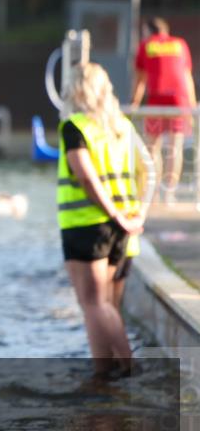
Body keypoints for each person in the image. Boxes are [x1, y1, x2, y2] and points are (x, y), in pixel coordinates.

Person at [58, 63, 145, 379]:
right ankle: (103, 374)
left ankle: (128, 367)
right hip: (123, 229)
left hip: (88, 225)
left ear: (77, 91)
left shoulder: (76, 127)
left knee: (93, 303)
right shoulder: (122, 126)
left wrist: (113, 213)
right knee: (106, 305)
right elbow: (148, 168)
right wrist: (137, 213)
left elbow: (84, 175)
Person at [131, 17, 196, 202]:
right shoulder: (180, 44)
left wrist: (134, 102)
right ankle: (169, 193)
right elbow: (186, 77)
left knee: (152, 147)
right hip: (179, 101)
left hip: (156, 101)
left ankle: (152, 194)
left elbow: (140, 80)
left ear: (149, 31)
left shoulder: (146, 45)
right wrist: (191, 107)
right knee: (175, 149)